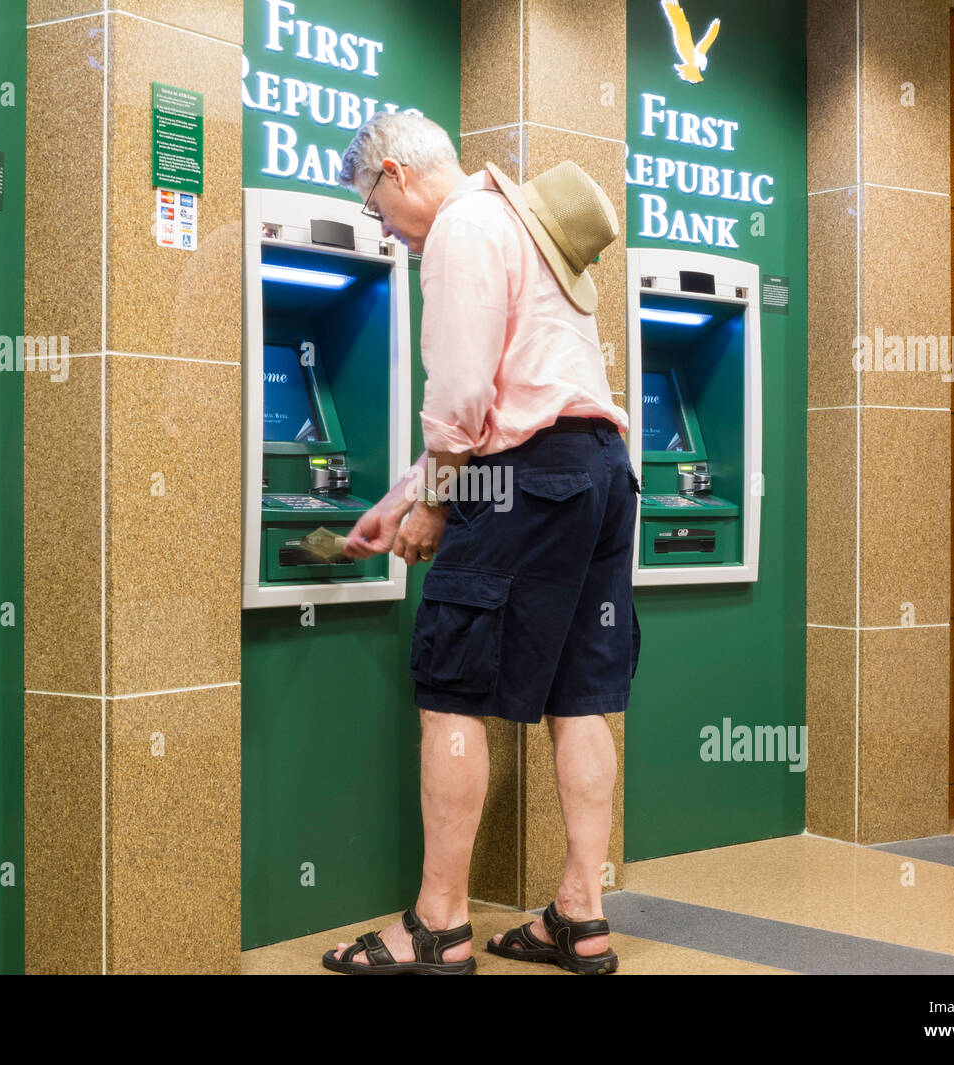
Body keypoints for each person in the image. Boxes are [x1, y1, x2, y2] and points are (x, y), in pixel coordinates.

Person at [321, 111, 640, 975]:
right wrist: (400, 498)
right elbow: (509, 389)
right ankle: (581, 912)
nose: (383, 229)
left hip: (523, 480)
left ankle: (439, 925)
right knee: (580, 695)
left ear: (393, 172)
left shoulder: (462, 225)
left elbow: (463, 398)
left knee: (451, 690)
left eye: (374, 208)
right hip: (601, 473)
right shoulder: (520, 218)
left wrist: (432, 511)